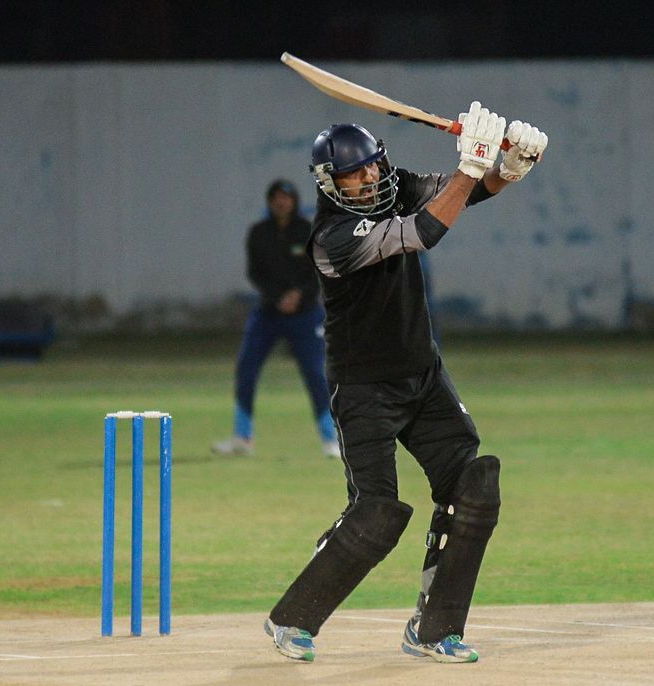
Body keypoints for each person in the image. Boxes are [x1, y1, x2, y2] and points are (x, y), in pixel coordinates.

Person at [263, 103, 548, 663]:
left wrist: (507, 168)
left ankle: (434, 629)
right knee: (376, 514)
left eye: (374, 164)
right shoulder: (332, 237)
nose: (371, 176)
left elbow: (466, 193)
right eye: (356, 172)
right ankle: (291, 618)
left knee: (474, 488)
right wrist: (470, 166)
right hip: (363, 387)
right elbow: (424, 231)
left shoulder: (393, 186)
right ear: (330, 182)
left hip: (423, 375)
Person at [212, 179, 340, 459]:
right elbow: (254, 273)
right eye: (277, 197)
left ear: (294, 201)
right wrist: (278, 297)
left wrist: (298, 294)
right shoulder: (259, 233)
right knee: (246, 368)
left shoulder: (308, 230)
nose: (282, 202)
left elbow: (319, 269)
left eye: (287, 197)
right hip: (268, 312)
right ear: (270, 201)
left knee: (315, 373)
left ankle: (331, 439)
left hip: (306, 314)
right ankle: (242, 437)